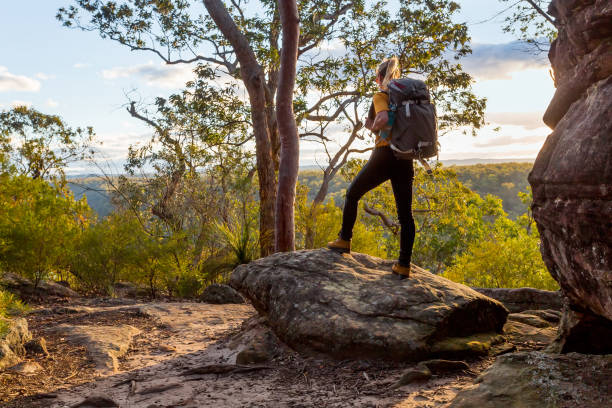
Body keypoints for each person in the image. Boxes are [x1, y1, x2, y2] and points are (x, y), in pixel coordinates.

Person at [327, 57, 415, 278]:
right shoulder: (405, 98)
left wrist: (373, 126)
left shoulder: (381, 95)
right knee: (405, 215)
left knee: (352, 193)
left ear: (379, 77)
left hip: (385, 154)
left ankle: (344, 240)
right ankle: (404, 264)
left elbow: (383, 119)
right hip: (405, 157)